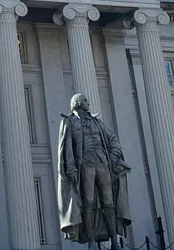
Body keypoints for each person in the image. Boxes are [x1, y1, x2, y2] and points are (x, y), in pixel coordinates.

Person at [57, 93, 131, 250]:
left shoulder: (97, 122)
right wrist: (71, 167)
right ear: (77, 103)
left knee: (109, 203)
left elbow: (112, 139)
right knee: (88, 204)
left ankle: (114, 242)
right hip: (85, 166)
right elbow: (67, 147)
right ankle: (91, 241)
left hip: (103, 164)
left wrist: (113, 154)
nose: (88, 103)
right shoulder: (70, 122)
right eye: (85, 100)